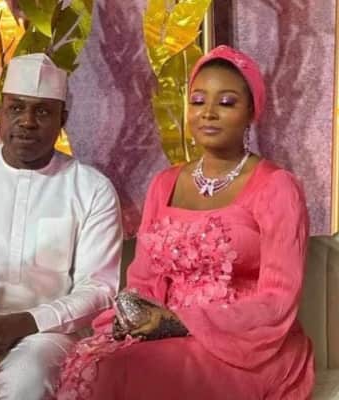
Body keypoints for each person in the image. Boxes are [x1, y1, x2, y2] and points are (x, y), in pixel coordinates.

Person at [54, 45, 314, 400]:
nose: (208, 113)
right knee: (93, 362)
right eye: (197, 101)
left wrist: (179, 321)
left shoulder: (277, 187)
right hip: (162, 332)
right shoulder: (165, 183)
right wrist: (135, 316)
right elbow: (144, 280)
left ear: (252, 112)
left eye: (226, 103)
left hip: (246, 346)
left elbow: (277, 300)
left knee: (131, 371)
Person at [0, 53, 123, 400]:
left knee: (29, 378)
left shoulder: (91, 189)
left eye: (42, 111)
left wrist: (31, 320)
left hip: (42, 336)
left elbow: (99, 287)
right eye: (16, 108)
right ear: (0, 113)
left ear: (62, 119)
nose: (27, 121)